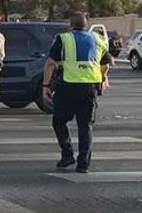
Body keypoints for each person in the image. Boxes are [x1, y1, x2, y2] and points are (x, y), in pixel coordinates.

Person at [42, 12, 111, 174]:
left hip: (68, 86)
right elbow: (106, 64)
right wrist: (103, 78)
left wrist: (45, 85)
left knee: (59, 121)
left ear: (70, 25)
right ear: (86, 24)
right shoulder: (97, 39)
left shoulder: (63, 39)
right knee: (85, 126)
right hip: (89, 88)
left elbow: (51, 63)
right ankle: (83, 165)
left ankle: (67, 155)